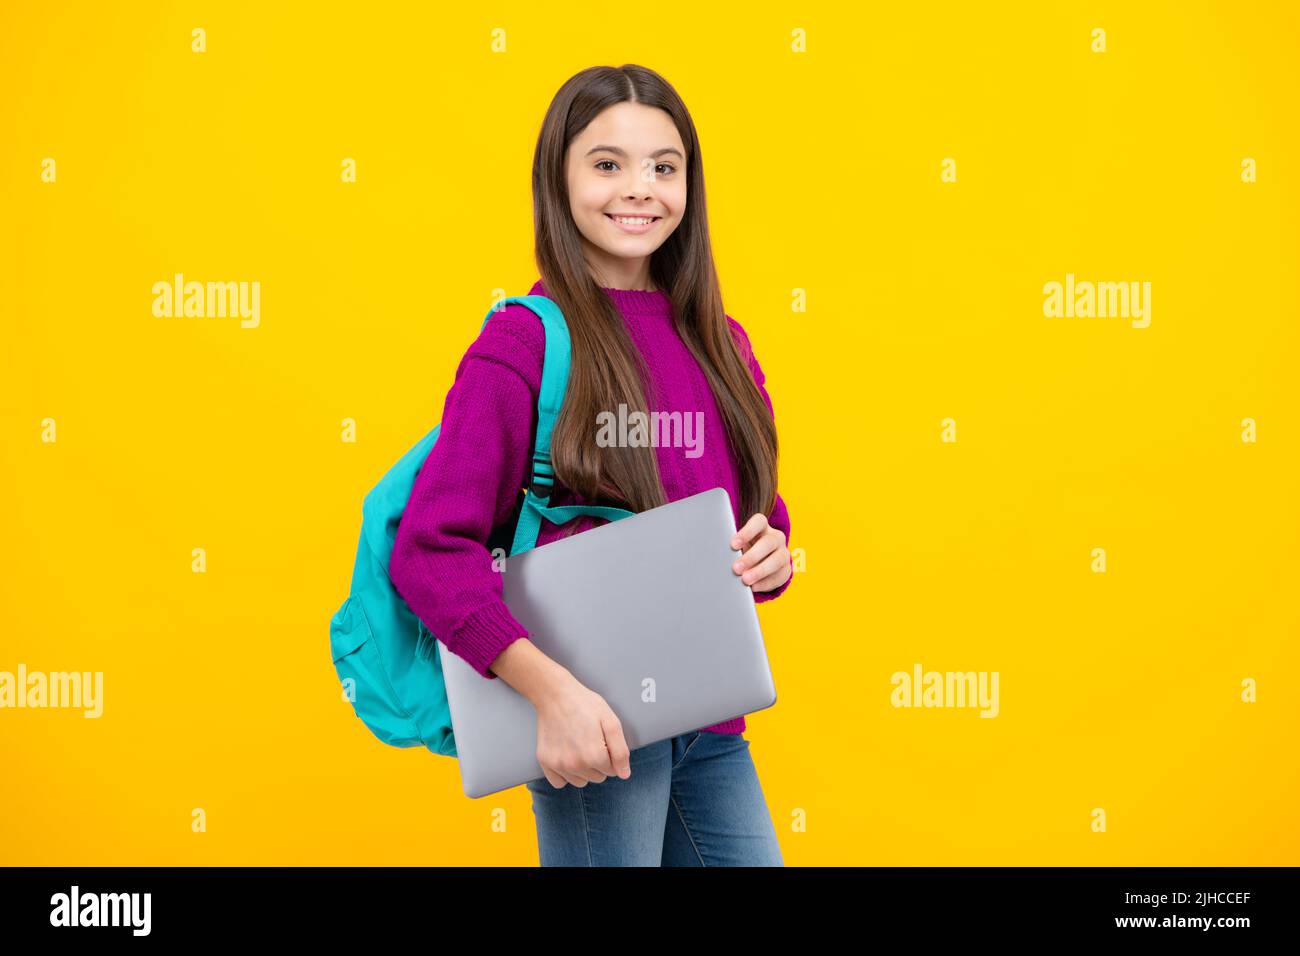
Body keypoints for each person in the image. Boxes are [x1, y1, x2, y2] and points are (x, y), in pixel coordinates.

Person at [389, 64, 794, 866]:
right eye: (607, 164)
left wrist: (772, 552)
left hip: (709, 722)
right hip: (591, 729)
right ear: (559, 180)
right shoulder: (522, 344)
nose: (639, 189)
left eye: (663, 166)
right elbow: (430, 551)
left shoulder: (723, 342)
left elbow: (757, 512)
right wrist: (552, 695)